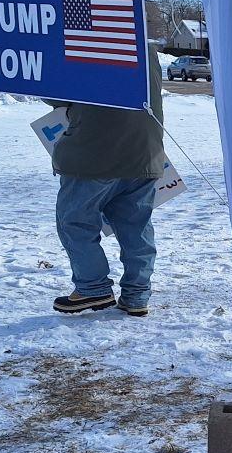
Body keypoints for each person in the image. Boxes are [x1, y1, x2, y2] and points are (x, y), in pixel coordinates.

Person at [47, 54, 166, 317]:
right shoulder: (146, 48)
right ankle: (137, 295)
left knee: (74, 222)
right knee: (136, 225)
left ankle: (93, 287)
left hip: (93, 150)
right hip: (145, 149)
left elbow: (54, 92)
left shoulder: (82, 45)